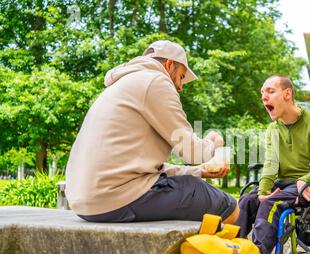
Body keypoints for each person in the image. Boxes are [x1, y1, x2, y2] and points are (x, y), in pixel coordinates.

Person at [65, 40, 239, 225]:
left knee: (193, 186)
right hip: (114, 198)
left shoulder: (122, 85)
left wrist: (198, 171)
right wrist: (214, 143)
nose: (180, 87)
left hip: (85, 202)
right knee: (228, 206)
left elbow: (147, 170)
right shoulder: (156, 81)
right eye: (181, 77)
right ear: (169, 64)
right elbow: (193, 152)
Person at [236, 75, 310, 254]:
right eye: (262, 93)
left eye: (270, 91)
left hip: (308, 187)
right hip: (283, 184)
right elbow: (270, 165)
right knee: (246, 201)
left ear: (287, 94)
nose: (264, 97)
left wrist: (304, 180)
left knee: (271, 203)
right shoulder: (273, 129)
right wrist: (262, 192)